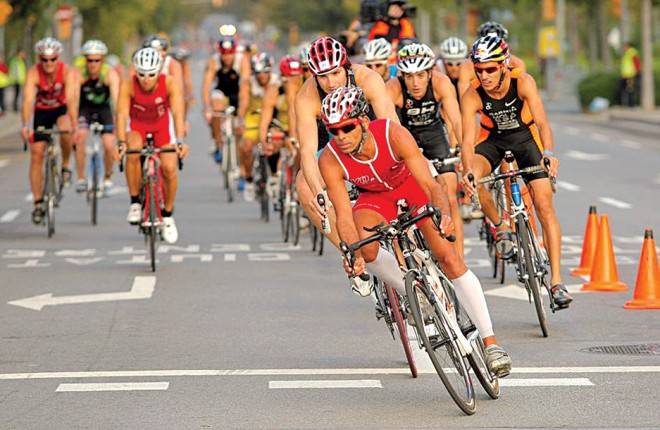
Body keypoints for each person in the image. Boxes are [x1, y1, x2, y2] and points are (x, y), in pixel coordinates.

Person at [318, 86, 512, 377]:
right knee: (366, 248)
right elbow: (344, 216)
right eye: (334, 131)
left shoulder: (392, 134)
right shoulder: (330, 158)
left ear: (363, 122)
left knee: (448, 258)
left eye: (347, 127)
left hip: (412, 185)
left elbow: (432, 185)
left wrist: (444, 215)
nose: (341, 136)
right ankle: (412, 292)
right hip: (375, 197)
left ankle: (491, 343)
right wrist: (351, 253)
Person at [459, 35, 572, 310]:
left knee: (544, 205)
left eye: (490, 69)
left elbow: (543, 123)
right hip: (492, 141)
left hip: (525, 140)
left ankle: (557, 282)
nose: (484, 75)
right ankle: (501, 227)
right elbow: (467, 140)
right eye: (479, 69)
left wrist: (549, 153)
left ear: (504, 65)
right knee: (475, 178)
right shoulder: (472, 93)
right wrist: (467, 171)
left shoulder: (522, 81)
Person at [295, 36, 400, 247]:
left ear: (347, 67)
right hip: (335, 145)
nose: (331, 83)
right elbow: (307, 151)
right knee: (304, 185)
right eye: (322, 76)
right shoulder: (307, 95)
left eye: (336, 73)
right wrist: (317, 191)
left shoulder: (368, 79)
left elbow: (393, 128)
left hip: (372, 140)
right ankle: (352, 251)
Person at [386, 43, 465, 256]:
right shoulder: (392, 88)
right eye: (409, 76)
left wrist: (462, 152)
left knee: (450, 197)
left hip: (434, 136)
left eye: (420, 75)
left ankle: (458, 258)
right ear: (402, 75)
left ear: (430, 73)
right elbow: (389, 127)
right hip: (405, 137)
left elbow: (456, 121)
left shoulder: (441, 83)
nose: (415, 83)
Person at [114, 47, 189, 244]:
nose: (146, 79)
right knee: (133, 150)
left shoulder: (169, 83)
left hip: (161, 127)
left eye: (151, 75)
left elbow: (178, 113)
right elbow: (121, 115)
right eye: (141, 75)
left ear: (159, 72)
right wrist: (121, 142)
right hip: (137, 127)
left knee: (169, 168)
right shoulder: (128, 85)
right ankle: (135, 202)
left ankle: (168, 215)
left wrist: (180, 140)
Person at [21, 37, 76, 224]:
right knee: (37, 153)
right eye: (44, 60)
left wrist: (74, 123)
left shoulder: (66, 71)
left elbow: (72, 99)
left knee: (66, 129)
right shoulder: (33, 73)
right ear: (40, 59)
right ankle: (38, 203)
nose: (49, 63)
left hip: (60, 109)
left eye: (53, 59)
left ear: (58, 58)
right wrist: (26, 125)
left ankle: (65, 165)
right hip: (42, 112)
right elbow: (27, 101)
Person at [68, 39, 120, 193]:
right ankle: (81, 177)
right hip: (85, 109)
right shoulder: (78, 73)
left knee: (109, 144)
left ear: (103, 60)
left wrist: (118, 123)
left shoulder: (109, 74)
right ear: (85, 60)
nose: (93, 64)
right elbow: (73, 100)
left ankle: (107, 177)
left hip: (104, 109)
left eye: (97, 60)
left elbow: (117, 100)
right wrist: (74, 124)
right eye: (90, 60)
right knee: (80, 137)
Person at [201, 35, 250, 164]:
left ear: (234, 52)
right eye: (224, 54)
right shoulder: (214, 60)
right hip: (221, 90)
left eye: (229, 54)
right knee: (216, 108)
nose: (227, 58)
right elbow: (206, 85)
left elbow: (244, 86)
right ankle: (217, 143)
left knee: (240, 119)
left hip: (238, 91)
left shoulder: (242, 60)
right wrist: (207, 107)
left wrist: (241, 116)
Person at [237, 52, 277, 201]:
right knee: (246, 147)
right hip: (253, 117)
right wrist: (240, 121)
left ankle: (275, 175)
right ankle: (248, 179)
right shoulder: (248, 82)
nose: (261, 76)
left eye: (265, 71)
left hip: (272, 117)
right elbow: (243, 102)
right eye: (257, 72)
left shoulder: (277, 81)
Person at [457, 21, 526, 98]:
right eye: (479, 70)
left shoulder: (517, 63)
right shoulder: (467, 66)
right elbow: (464, 96)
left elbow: (523, 93)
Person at [619, 42, 641, 107]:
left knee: (630, 89)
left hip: (631, 75)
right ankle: (625, 103)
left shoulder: (632, 53)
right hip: (625, 75)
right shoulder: (627, 54)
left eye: (625, 47)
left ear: (628, 46)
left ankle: (631, 104)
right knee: (625, 89)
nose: (624, 48)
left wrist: (637, 72)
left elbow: (637, 63)